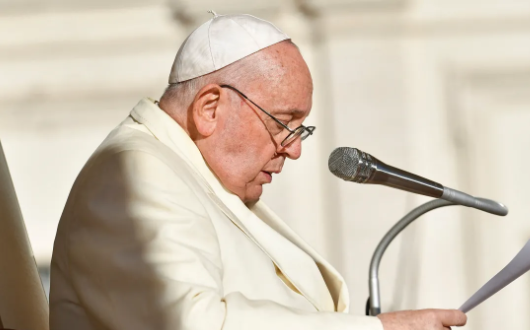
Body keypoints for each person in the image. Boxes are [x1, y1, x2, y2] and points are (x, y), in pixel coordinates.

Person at [49, 12, 467, 330]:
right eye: (284, 122)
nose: (296, 148)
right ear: (209, 109)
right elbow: (195, 323)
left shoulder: (190, 174)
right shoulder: (133, 170)